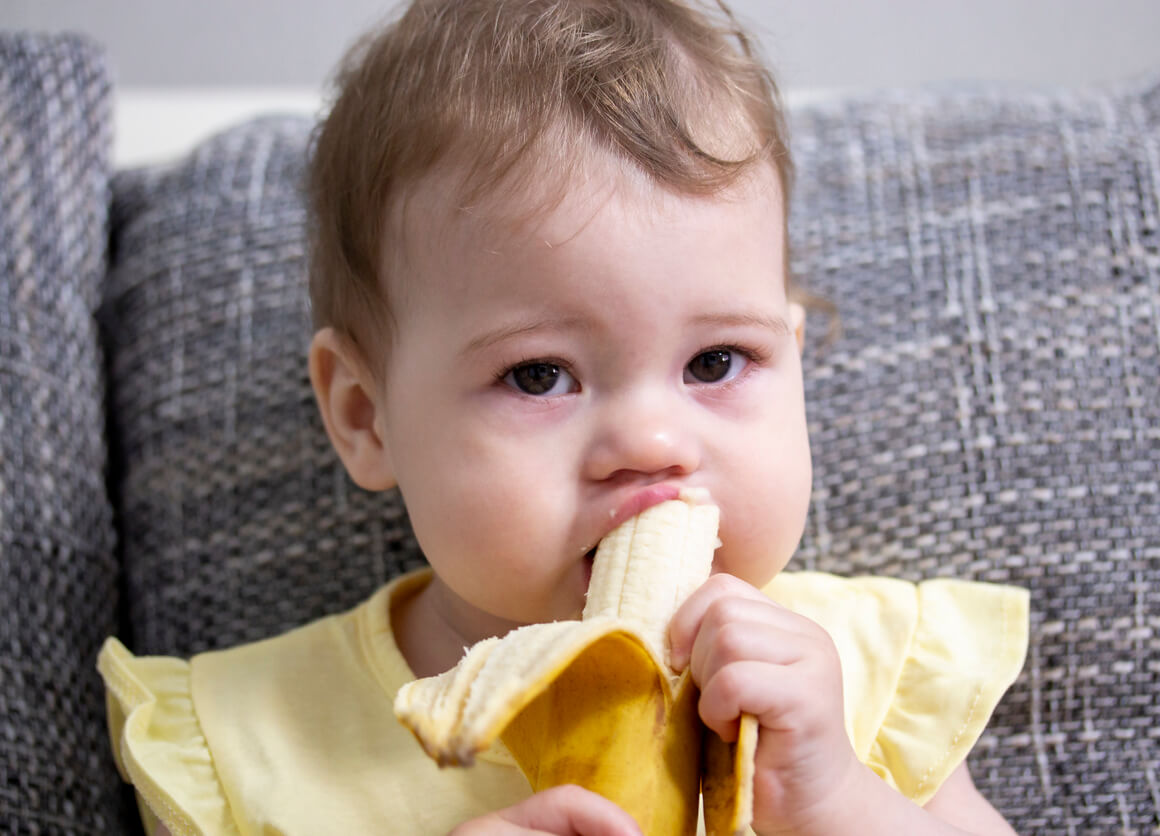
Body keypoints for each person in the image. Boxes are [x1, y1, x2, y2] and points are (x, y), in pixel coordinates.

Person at [97, 1, 1029, 833]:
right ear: (365, 416)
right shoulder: (262, 737)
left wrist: (839, 806)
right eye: (540, 375)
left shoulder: (852, 680)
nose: (652, 446)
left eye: (715, 362)